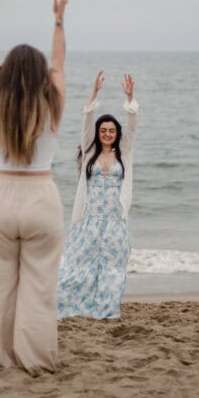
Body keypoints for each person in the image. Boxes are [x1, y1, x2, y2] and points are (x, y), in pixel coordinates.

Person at [0, 0, 68, 376]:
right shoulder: (52, 103)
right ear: (41, 75)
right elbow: (60, 66)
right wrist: (59, 19)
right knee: (40, 287)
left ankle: (1, 356)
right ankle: (35, 359)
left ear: (4, 75)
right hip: (40, 198)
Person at [57, 69, 138, 319]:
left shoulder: (123, 153)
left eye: (111, 130)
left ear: (116, 134)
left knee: (111, 269)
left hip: (114, 221)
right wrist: (94, 93)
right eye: (103, 130)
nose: (106, 134)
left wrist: (130, 96)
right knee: (78, 265)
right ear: (97, 132)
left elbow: (133, 122)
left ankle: (105, 311)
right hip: (89, 219)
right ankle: (76, 308)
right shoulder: (89, 149)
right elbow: (86, 119)